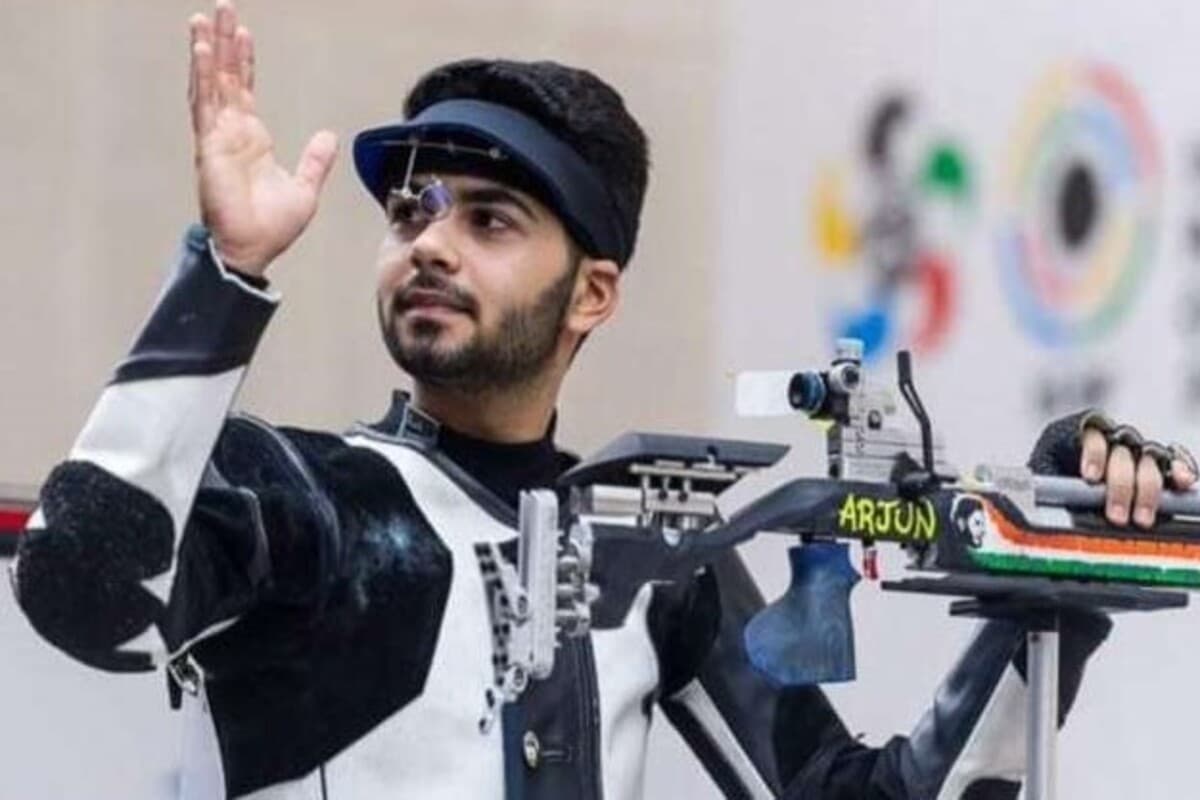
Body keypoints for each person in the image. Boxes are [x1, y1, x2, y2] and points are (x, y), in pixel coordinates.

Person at [10, 2, 1197, 798]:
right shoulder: (295, 493)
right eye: (411, 211)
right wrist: (224, 276)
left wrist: (1058, 553)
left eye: (490, 219)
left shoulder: (652, 555)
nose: (430, 243)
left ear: (594, 292)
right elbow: (77, 592)